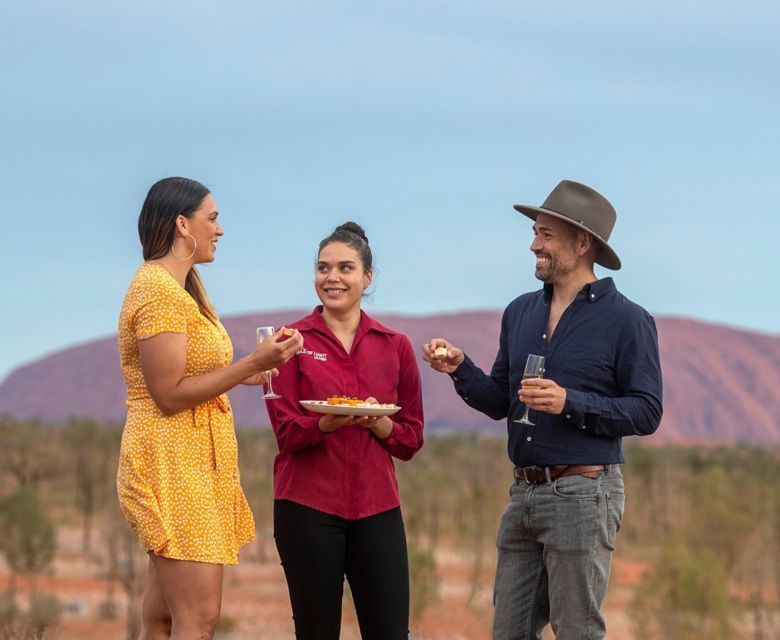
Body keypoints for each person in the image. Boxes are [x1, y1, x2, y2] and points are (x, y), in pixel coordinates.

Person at [422, 180, 663, 640]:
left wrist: (569, 402)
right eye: (535, 233)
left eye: (546, 235)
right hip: (523, 496)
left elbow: (647, 411)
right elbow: (500, 401)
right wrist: (460, 368)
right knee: (508, 632)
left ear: (582, 242)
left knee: (577, 632)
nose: (534, 245)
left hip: (584, 495)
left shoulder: (628, 320)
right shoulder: (520, 312)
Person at [116, 177, 303, 640]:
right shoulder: (159, 292)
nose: (219, 230)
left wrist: (249, 372)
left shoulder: (181, 289)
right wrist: (248, 364)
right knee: (198, 620)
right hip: (173, 465)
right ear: (183, 224)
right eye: (212, 218)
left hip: (191, 464)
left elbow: (189, 377)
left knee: (163, 620)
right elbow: (168, 394)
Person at [265, 222, 424, 640]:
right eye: (323, 268)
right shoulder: (289, 342)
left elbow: (411, 440)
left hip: (378, 508)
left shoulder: (396, 345)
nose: (332, 277)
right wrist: (325, 422)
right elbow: (286, 433)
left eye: (345, 268)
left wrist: (380, 423)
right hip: (307, 507)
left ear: (367, 277)